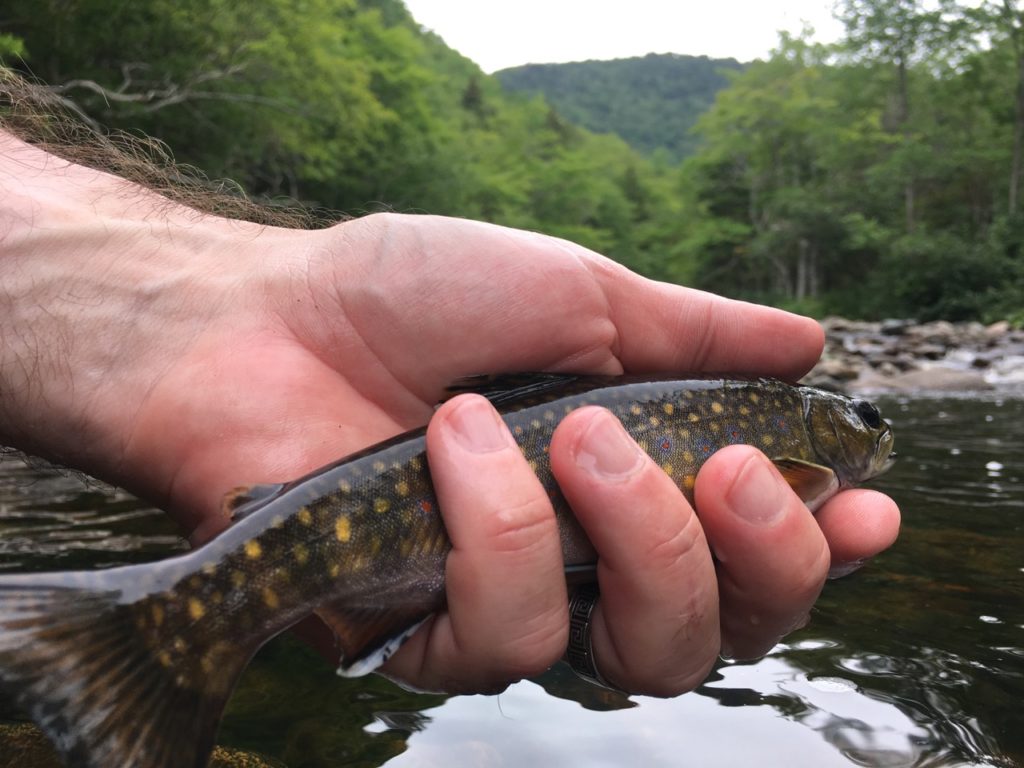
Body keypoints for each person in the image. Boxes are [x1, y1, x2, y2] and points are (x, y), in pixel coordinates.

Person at [0, 126, 899, 697]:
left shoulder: (744, 410)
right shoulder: (793, 448)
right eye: (861, 420)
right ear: (816, 434)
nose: (871, 432)